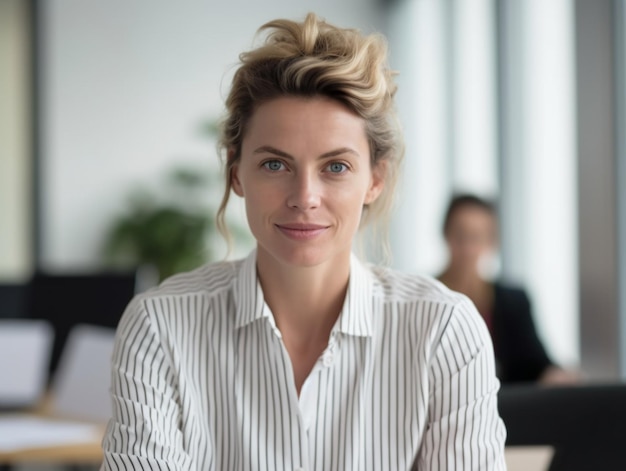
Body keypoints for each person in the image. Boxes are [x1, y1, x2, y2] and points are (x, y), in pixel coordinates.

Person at [101, 14, 506, 470]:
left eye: (336, 167)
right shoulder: (159, 327)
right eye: (275, 165)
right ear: (236, 173)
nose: (304, 198)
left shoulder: (444, 331)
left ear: (375, 179)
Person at [437, 193, 580, 385]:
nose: (468, 248)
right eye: (460, 235)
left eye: (476, 237)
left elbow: (536, 364)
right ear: (446, 234)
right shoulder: (423, 298)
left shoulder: (513, 302)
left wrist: (557, 375)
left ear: (491, 242)